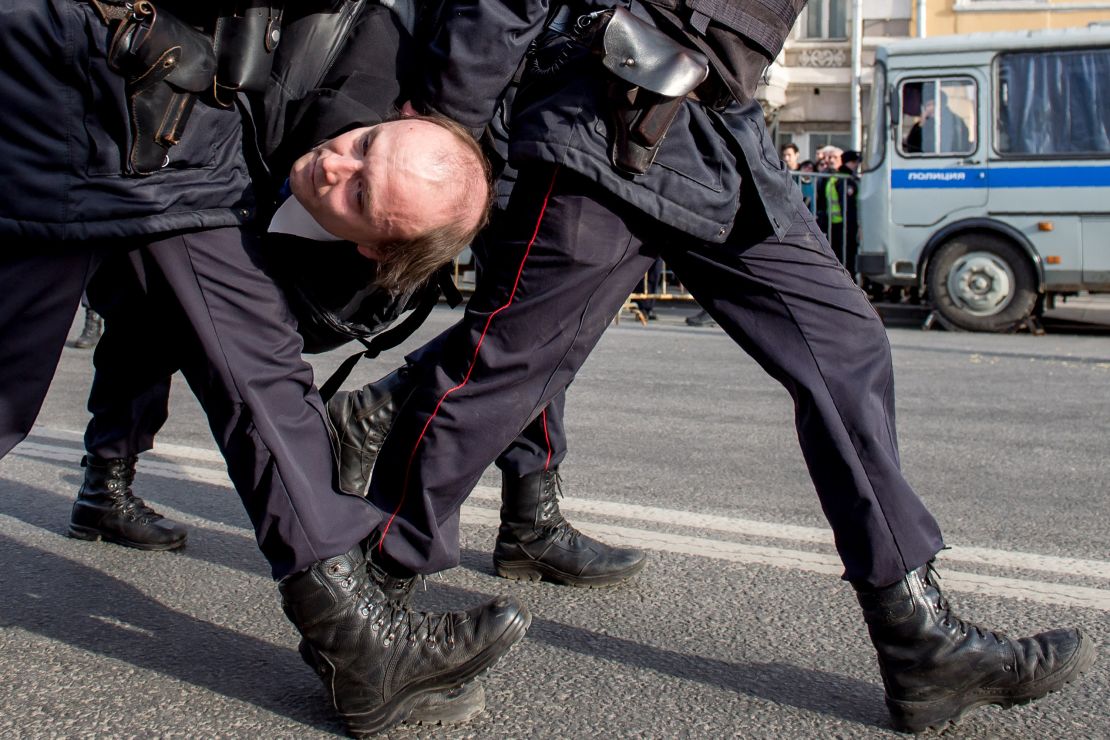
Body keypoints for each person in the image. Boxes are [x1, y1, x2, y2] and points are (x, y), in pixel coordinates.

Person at [353, 0, 1093, 734]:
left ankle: (920, 641)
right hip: (607, 115)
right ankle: (363, 613)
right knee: (502, 372)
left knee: (845, 346)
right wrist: (446, 133)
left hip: (714, 130)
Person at [0, 1, 529, 735]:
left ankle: (362, 644)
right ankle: (362, 643)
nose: (334, 163)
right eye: (362, 147)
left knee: (256, 361)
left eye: (361, 188)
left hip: (156, 85)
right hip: (96, 60)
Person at [75, 0, 646, 591]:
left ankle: (515, 504)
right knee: (160, 297)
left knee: (534, 318)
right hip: (402, 99)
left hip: (471, 131)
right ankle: (110, 478)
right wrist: (435, 124)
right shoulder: (352, 121)